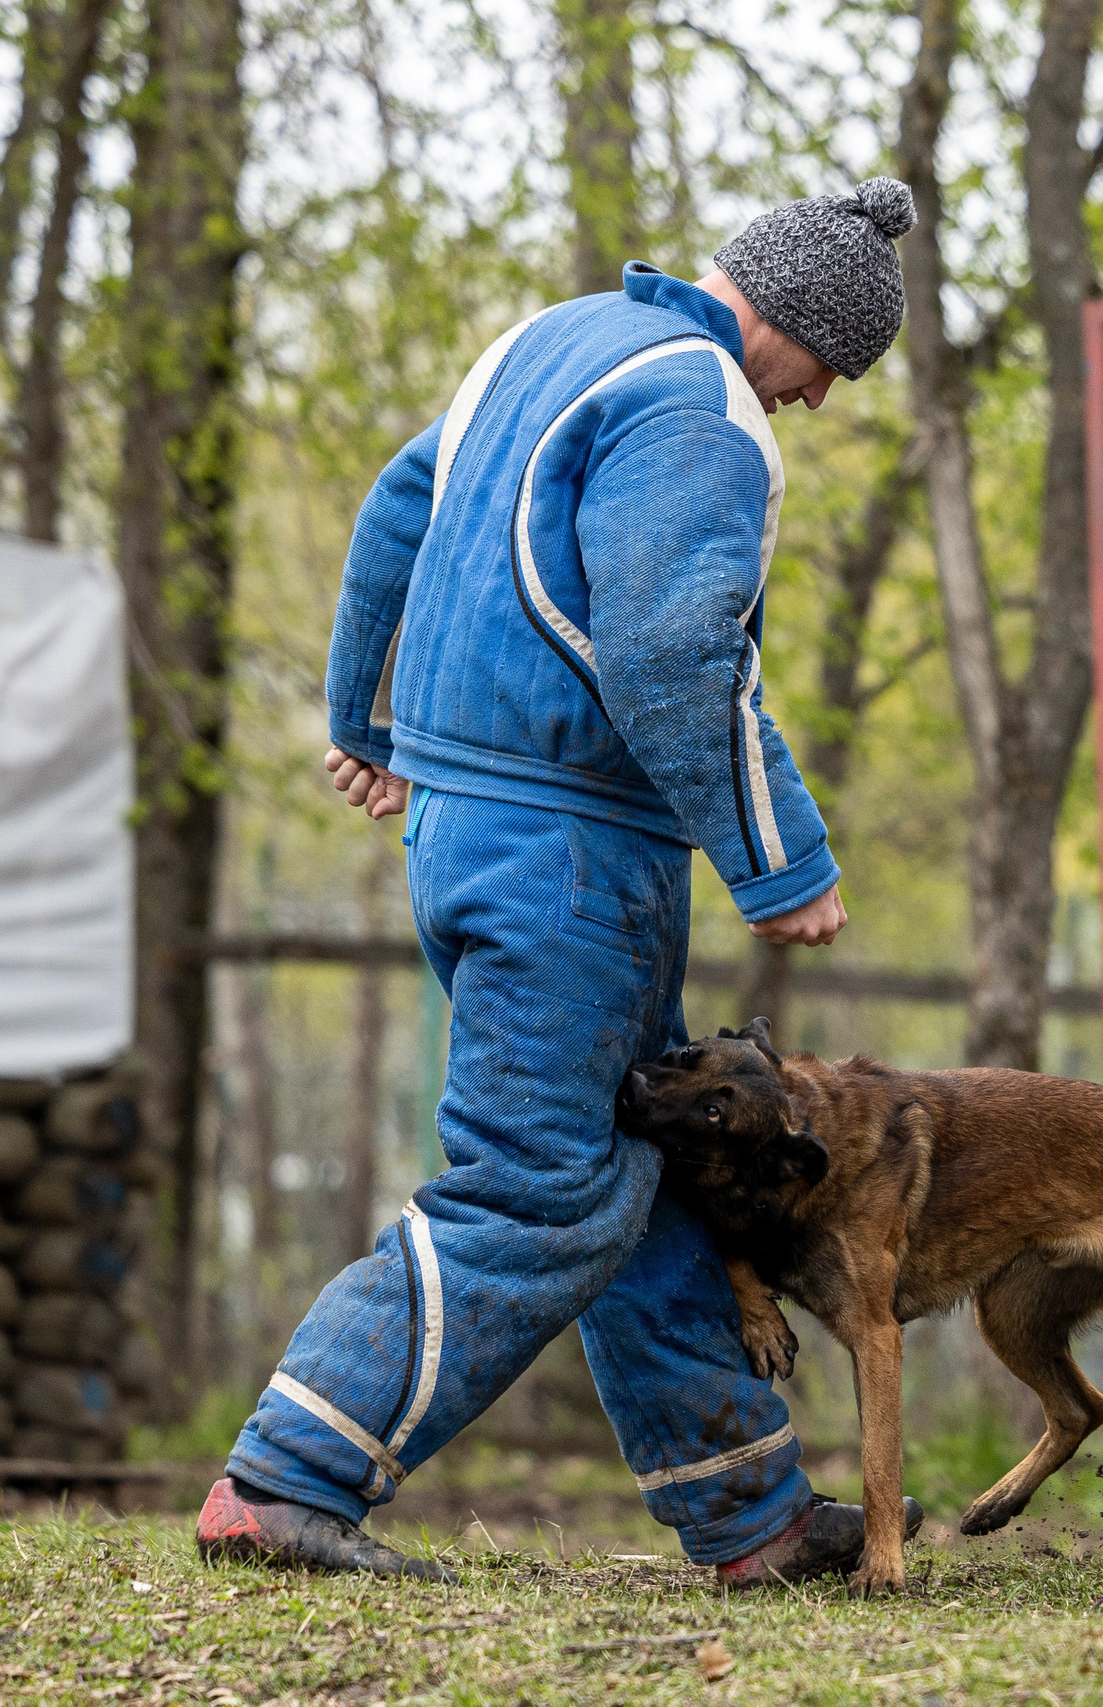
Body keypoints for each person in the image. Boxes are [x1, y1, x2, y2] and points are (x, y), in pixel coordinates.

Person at [195, 179, 923, 1587]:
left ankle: (748, 1515)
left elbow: (398, 510)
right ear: (794, 326)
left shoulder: (546, 343)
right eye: (833, 367)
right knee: (537, 1189)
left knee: (644, 1167)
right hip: (570, 855)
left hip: (481, 828)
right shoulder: (704, 407)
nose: (821, 401)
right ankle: (284, 1479)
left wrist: (365, 717)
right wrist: (783, 861)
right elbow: (668, 651)